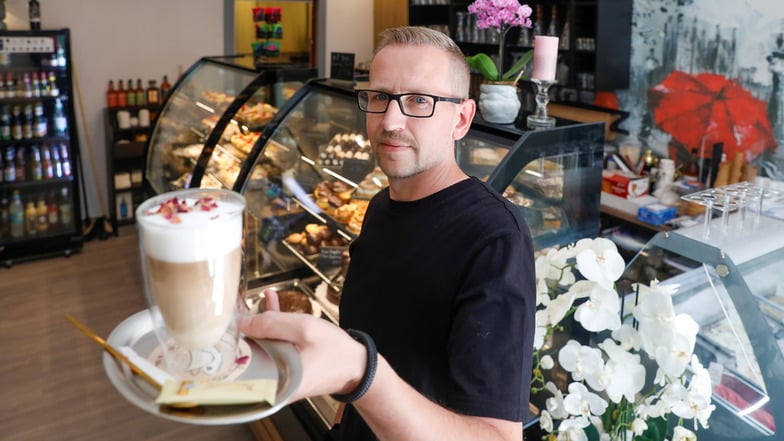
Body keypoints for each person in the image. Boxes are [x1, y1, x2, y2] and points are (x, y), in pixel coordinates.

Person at [241, 26, 536, 441]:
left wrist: (360, 372)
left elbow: (499, 437)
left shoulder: (493, 238)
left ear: (462, 119)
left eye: (419, 100)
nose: (391, 120)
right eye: (380, 97)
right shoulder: (380, 207)